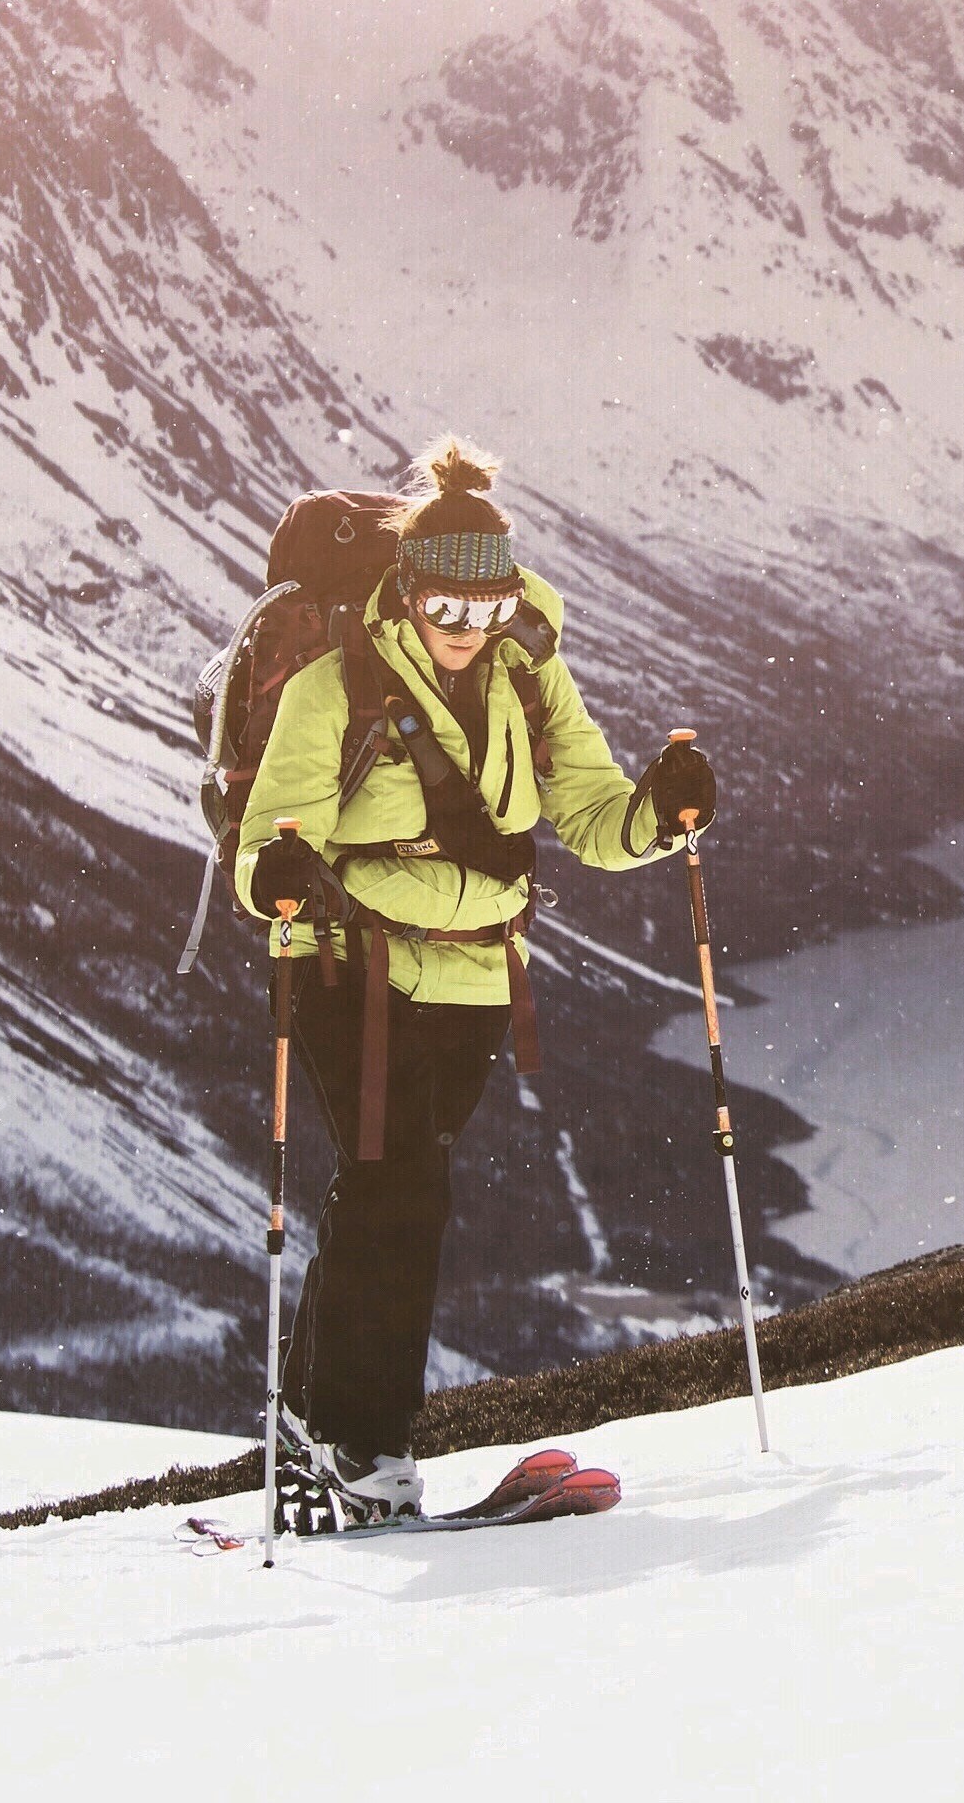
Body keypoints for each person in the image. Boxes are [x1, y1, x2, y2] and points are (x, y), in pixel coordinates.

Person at [234, 436, 711, 1523]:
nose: (465, 625)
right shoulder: (335, 686)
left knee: (390, 1189)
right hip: (351, 969)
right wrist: (281, 877)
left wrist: (660, 809)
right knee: (400, 1188)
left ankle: (311, 1427)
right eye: (445, 603)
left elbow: (592, 815)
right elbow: (267, 844)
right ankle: (360, 1446)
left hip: (479, 979)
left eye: (486, 606)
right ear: (408, 588)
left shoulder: (528, 678)